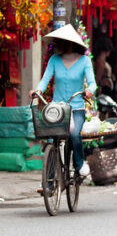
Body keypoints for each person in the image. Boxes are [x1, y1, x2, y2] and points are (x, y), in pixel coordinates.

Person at [30, 25, 96, 177]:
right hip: (57, 109)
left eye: (62, 41)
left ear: (71, 43)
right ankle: (50, 180)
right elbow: (45, 79)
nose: (59, 43)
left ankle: (79, 164)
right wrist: (37, 91)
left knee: (74, 136)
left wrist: (89, 91)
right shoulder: (54, 60)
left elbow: (92, 83)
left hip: (76, 108)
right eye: (58, 41)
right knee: (50, 139)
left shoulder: (84, 61)